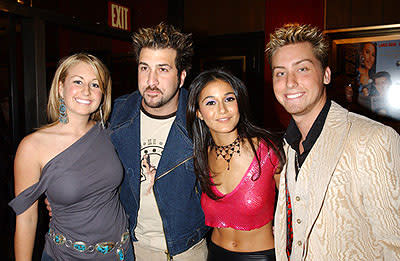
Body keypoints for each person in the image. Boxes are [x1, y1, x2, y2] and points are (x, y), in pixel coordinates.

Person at [265, 24, 400, 260]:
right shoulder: (287, 145)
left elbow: (395, 246)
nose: (290, 82)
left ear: (326, 75)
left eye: (303, 69)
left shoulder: (374, 139)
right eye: (280, 73)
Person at [9, 53, 133, 260]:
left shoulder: (111, 134)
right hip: (67, 256)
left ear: (103, 93)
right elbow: (27, 220)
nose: (87, 91)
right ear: (60, 87)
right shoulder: (32, 146)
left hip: (122, 253)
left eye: (95, 84)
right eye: (78, 81)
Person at [109, 23, 209, 260]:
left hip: (188, 249)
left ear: (181, 76)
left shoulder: (202, 118)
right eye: (144, 68)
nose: (151, 80)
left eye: (162, 69)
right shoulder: (115, 114)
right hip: (131, 247)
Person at [186, 69, 285, 261]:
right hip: (215, 254)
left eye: (229, 99)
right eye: (211, 102)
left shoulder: (267, 151)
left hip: (261, 257)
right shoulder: (201, 156)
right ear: (198, 113)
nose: (222, 109)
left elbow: (296, 208)